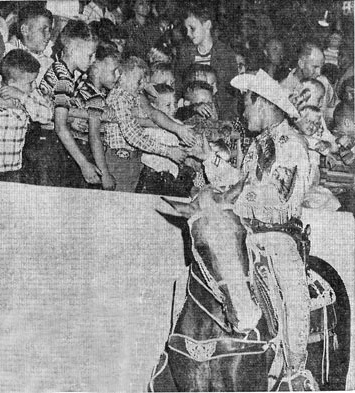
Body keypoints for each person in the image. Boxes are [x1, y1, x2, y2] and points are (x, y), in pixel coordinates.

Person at [210, 69, 316, 389]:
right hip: (249, 234)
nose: (243, 112)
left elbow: (282, 200)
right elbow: (240, 187)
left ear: (265, 105)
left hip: (277, 233)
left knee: (292, 300)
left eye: (247, 105)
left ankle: (296, 370)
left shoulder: (291, 144)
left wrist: (244, 203)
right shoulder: (255, 147)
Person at [103, 56, 190, 192]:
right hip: (120, 160)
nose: (143, 85)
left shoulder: (132, 95)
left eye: (144, 81)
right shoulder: (120, 98)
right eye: (139, 81)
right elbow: (132, 135)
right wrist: (168, 151)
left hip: (131, 159)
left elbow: (151, 113)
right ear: (123, 77)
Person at [0, 49, 53, 183]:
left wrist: (22, 97)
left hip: (10, 164)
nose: (34, 85)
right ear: (12, 82)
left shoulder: (31, 94)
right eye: (30, 82)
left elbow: (47, 115)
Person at [40, 20, 102, 188]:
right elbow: (60, 126)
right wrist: (83, 164)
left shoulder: (60, 68)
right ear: (74, 50)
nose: (93, 60)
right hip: (46, 144)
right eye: (90, 55)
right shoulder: (65, 80)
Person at [4, 4, 55, 186]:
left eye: (50, 31)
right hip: (10, 136)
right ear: (25, 29)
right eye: (44, 30)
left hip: (37, 135)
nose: (48, 36)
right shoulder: (8, 53)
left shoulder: (49, 63)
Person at [174, 3, 238, 120]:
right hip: (189, 113)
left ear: (207, 25)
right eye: (186, 29)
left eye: (192, 28)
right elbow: (178, 88)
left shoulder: (225, 53)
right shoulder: (184, 52)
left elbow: (229, 95)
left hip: (218, 115)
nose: (188, 34)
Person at [73, 42, 121, 191]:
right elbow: (94, 136)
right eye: (114, 71)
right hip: (86, 151)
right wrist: (105, 174)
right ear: (97, 69)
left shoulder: (84, 87)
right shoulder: (94, 97)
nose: (118, 76)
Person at [135, 83, 195, 197]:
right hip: (151, 175)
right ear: (154, 106)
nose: (173, 109)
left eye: (175, 104)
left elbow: (188, 144)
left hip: (172, 175)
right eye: (168, 105)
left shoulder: (178, 125)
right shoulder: (148, 126)